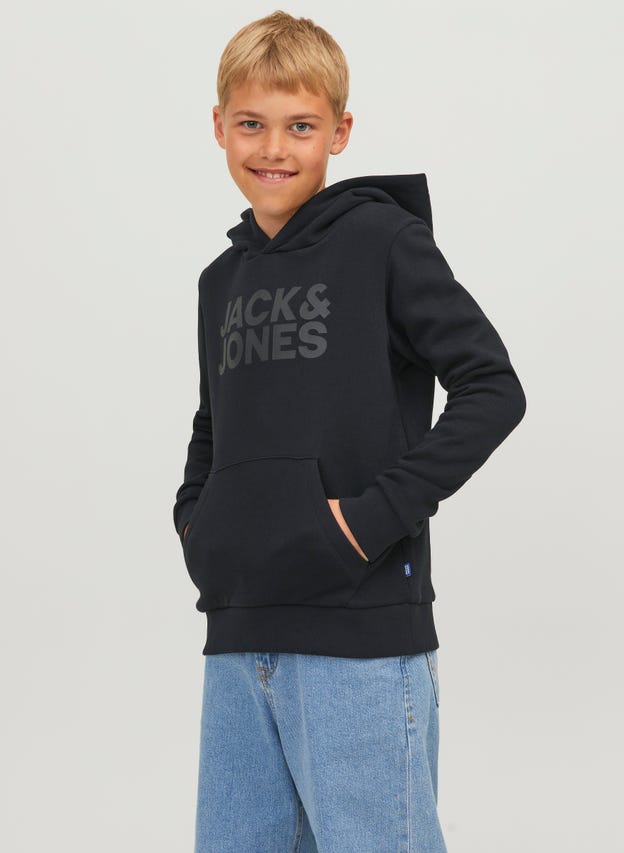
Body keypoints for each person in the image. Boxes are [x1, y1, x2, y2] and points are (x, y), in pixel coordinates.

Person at [172, 10, 527, 853]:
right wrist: (199, 525)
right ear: (218, 127)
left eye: (301, 126)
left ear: (340, 132)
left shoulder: (382, 241)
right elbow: (212, 423)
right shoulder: (220, 281)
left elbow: (492, 387)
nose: (274, 148)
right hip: (239, 636)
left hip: (359, 638)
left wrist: (369, 520)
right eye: (251, 124)